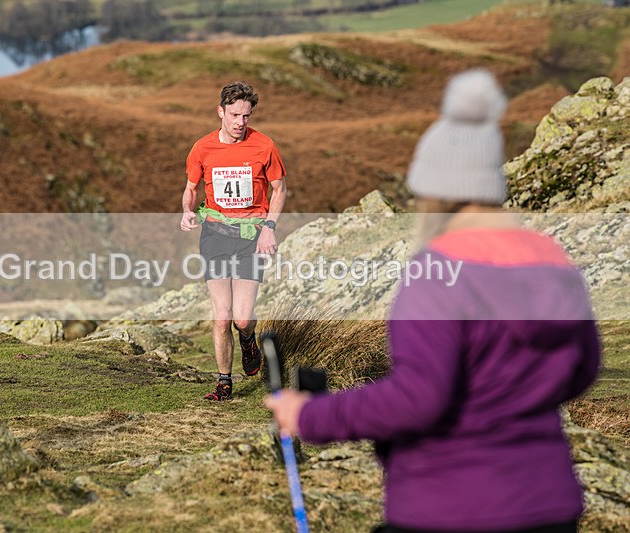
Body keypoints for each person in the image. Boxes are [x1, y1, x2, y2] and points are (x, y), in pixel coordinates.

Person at [264, 70, 601, 532]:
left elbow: (420, 397)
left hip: (451, 505)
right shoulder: (552, 262)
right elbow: (583, 371)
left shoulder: (438, 273)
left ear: (437, 189)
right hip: (549, 503)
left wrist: (310, 414)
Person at [180, 81, 287, 401]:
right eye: (235, 115)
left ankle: (248, 338)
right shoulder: (202, 148)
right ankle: (224, 383)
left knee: (242, 318)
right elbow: (191, 188)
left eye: (246, 116)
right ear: (221, 112)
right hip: (215, 236)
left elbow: (279, 189)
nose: (241, 122)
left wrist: (269, 228)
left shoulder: (264, 146)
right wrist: (187, 211)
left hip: (250, 238)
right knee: (222, 315)